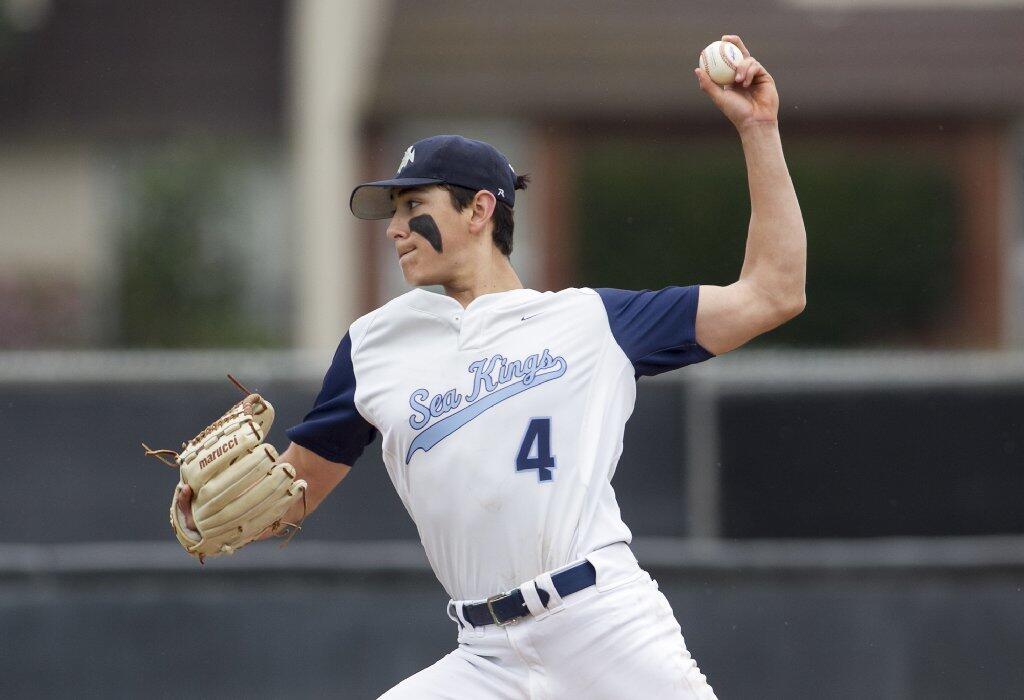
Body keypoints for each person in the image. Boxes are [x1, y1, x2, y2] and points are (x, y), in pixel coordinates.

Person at [176, 34, 804, 699]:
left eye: (415, 207)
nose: (395, 229)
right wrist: (213, 513)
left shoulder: (591, 321)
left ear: (480, 209)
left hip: (603, 628)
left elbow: (774, 292)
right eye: (393, 212)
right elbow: (291, 495)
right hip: (485, 658)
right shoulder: (372, 348)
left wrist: (759, 129)